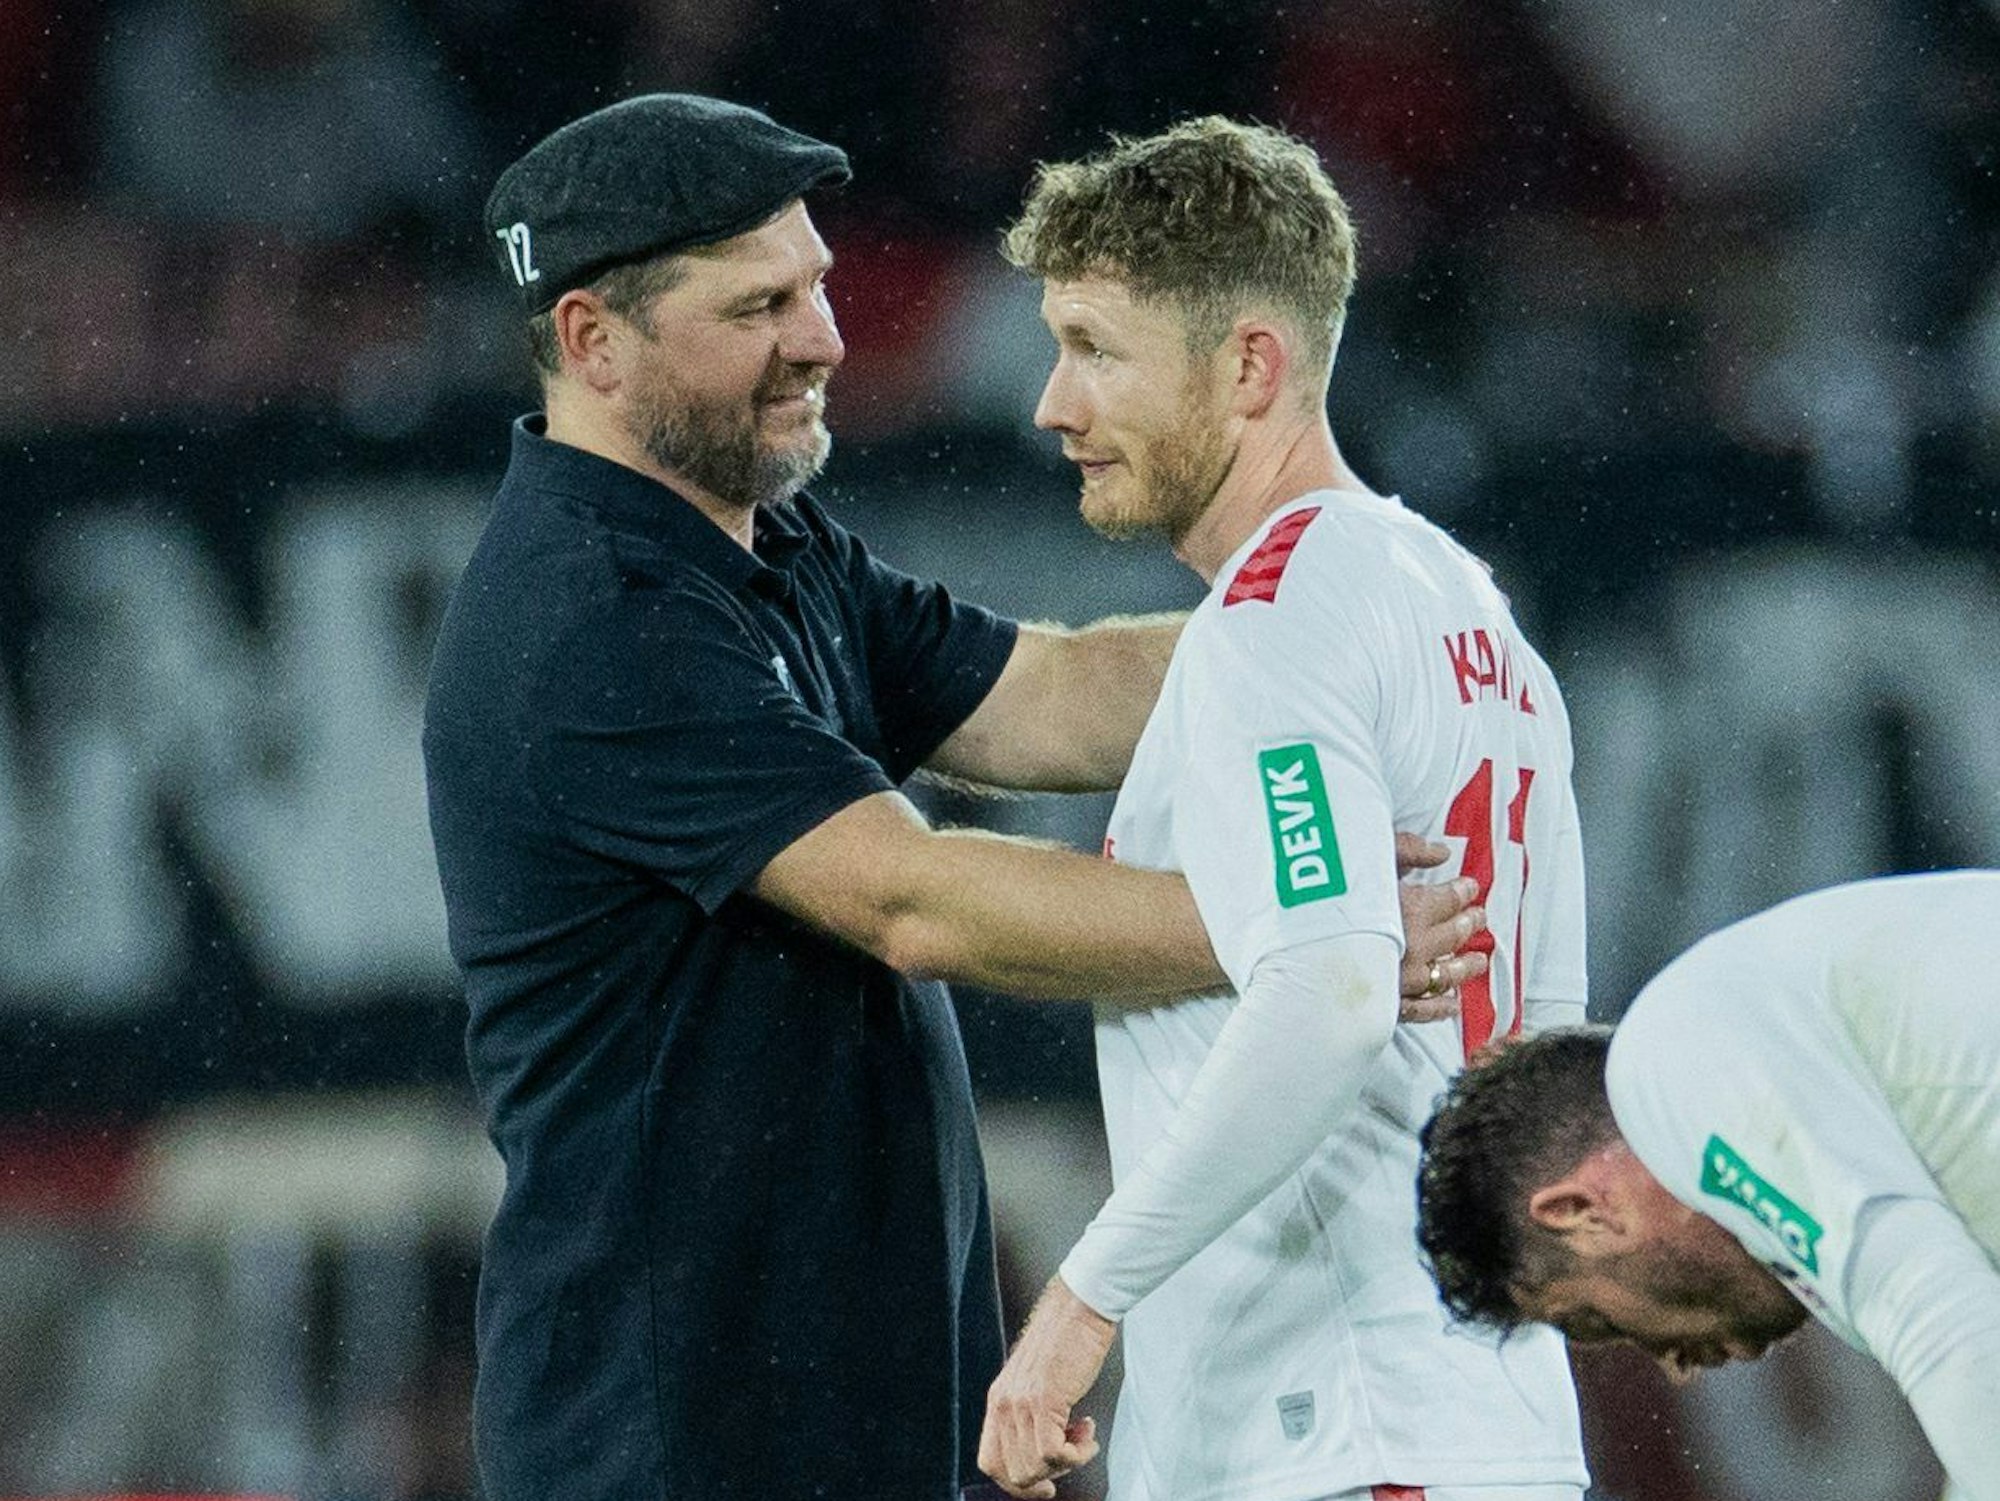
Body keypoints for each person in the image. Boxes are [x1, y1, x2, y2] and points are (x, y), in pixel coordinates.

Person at [422, 95, 1486, 1501]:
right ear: (592, 341)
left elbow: (1044, 691)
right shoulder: (588, 619)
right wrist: (1310, 931)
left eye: (817, 283)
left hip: (842, 1404)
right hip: (677, 1433)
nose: (824, 338)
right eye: (763, 305)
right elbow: (915, 897)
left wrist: (1360, 622)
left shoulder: (760, 532)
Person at [978, 119, 1591, 1501]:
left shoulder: (1276, 616)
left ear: (1249, 365)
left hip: (1335, 1440)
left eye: (1096, 348)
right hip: (1484, 1431)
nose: (1053, 405)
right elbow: (1547, 1051)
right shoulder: (1478, 621)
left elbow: (1327, 991)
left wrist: (1082, 1303)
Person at [1415, 870, 2000, 1501]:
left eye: (1595, 1322)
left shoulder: (1672, 1070)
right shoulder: (1747, 1028)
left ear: (1579, 1210)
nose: (1675, 1366)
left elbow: (1946, 1326)